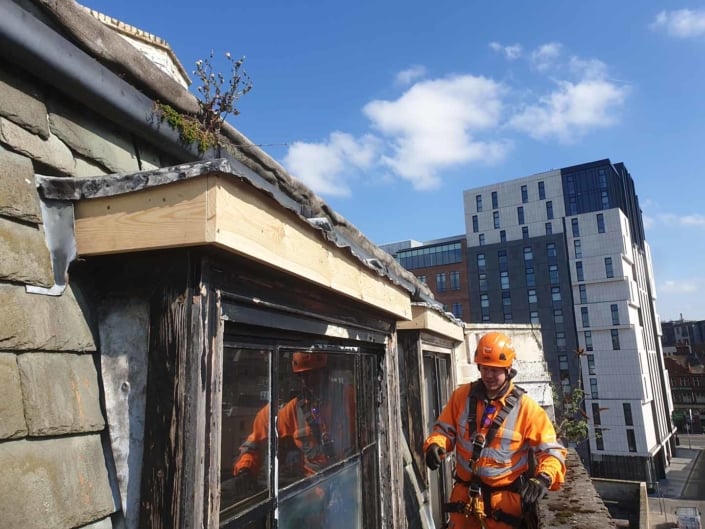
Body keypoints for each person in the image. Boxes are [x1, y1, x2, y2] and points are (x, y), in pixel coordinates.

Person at [424, 332, 567, 529]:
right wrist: (435, 444)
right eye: (484, 368)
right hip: (464, 502)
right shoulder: (461, 397)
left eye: (495, 370)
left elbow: (552, 452)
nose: (488, 375)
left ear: (508, 369)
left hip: (504, 507)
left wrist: (543, 478)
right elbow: (444, 430)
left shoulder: (527, 408)